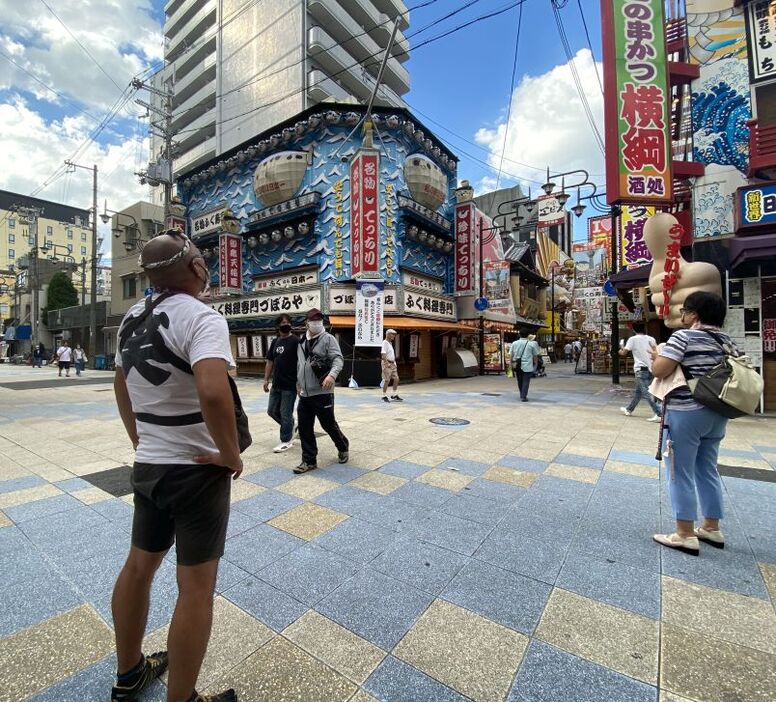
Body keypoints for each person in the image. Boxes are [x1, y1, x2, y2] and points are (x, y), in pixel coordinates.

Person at [111, 230, 239, 702]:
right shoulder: (203, 318)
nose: (207, 267)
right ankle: (182, 699)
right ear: (194, 268)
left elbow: (121, 386)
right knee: (195, 587)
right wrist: (230, 454)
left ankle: (128, 676)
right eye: (203, 260)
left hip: (150, 465)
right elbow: (211, 390)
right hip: (195, 470)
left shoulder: (131, 318)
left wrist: (140, 439)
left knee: (139, 568)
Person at [650, 291, 733, 556]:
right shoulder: (726, 340)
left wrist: (656, 357)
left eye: (685, 311)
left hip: (687, 411)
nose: (682, 315)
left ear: (694, 315)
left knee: (679, 471)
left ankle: (684, 533)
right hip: (717, 412)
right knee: (707, 469)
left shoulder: (683, 337)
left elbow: (660, 370)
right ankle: (711, 526)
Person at [295, 308, 349, 474]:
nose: (316, 323)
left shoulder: (328, 339)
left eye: (319, 320)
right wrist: (298, 384)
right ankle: (309, 461)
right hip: (305, 393)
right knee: (304, 427)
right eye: (313, 320)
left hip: (323, 392)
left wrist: (332, 376)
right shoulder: (302, 341)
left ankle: (343, 446)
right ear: (307, 323)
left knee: (328, 424)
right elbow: (300, 365)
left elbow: (338, 359)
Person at [264, 314, 299, 453]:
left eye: (288, 322)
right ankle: (291, 426)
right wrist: (266, 379)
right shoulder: (275, 342)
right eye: (283, 322)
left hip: (290, 385)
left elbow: (301, 362)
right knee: (271, 411)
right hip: (276, 384)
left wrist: (300, 382)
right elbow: (269, 361)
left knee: (285, 413)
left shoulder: (296, 341)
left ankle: (286, 441)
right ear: (278, 326)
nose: (286, 324)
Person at [619, 322, 661, 422]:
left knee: (646, 392)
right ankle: (629, 409)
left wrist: (620, 348)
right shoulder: (651, 339)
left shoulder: (632, 339)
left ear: (634, 329)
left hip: (640, 369)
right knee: (639, 392)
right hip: (651, 368)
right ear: (644, 328)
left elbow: (624, 352)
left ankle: (658, 413)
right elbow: (656, 352)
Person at [510, 328, 540, 402]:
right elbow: (535, 356)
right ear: (528, 335)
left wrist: (511, 364)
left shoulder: (514, 343)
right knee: (526, 381)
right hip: (528, 365)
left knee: (519, 380)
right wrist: (536, 364)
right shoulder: (532, 343)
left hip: (517, 365)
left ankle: (522, 394)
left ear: (519, 334)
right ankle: (523, 396)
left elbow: (511, 355)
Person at [380, 328, 403, 402]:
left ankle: (394, 394)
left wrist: (394, 363)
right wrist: (386, 364)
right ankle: (384, 395)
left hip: (393, 363)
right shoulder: (385, 343)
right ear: (388, 335)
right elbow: (383, 354)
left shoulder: (390, 343)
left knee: (396, 378)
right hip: (388, 363)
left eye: (394, 334)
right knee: (387, 380)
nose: (394, 336)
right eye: (392, 334)